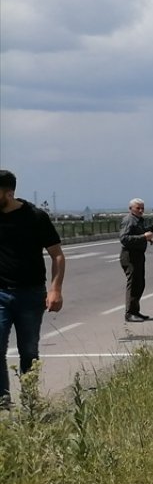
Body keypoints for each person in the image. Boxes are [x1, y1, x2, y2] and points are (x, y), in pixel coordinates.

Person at [0, 170, 65, 409]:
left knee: (28, 351)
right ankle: (2, 401)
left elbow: (57, 255)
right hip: (0, 294)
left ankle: (30, 403)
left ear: (9, 192)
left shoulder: (35, 217)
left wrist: (55, 289)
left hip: (30, 293)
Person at [119, 198, 153, 321]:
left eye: (142, 208)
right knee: (134, 283)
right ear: (131, 209)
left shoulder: (139, 220)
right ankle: (129, 313)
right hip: (130, 255)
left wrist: (147, 238)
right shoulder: (129, 220)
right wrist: (143, 237)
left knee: (140, 283)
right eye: (138, 208)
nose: (140, 210)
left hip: (138, 254)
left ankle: (135, 311)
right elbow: (124, 238)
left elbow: (140, 233)